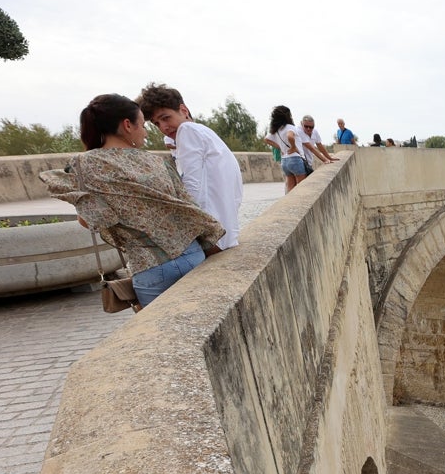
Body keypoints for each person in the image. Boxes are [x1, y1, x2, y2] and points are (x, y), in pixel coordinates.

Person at [39, 94, 225, 307]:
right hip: (192, 255)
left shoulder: (84, 165)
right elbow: (189, 206)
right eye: (143, 125)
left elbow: (93, 220)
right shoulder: (156, 161)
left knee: (161, 336)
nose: (145, 132)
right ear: (127, 125)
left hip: (150, 267)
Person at [135, 83, 242, 249]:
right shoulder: (203, 131)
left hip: (212, 237)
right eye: (156, 124)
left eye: (166, 118)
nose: (163, 127)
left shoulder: (187, 131)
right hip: (226, 233)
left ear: (183, 111)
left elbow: (192, 187)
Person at [263, 106, 307, 192]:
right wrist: (293, 147)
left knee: (290, 186)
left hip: (285, 161)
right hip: (295, 159)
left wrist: (280, 147)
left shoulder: (277, 129)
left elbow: (266, 139)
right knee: (302, 186)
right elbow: (290, 136)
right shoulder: (290, 127)